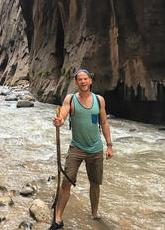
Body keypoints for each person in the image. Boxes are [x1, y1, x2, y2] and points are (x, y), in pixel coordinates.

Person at [48, 69, 113, 230]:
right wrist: (59, 121)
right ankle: (58, 219)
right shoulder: (70, 100)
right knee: (66, 182)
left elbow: (104, 122)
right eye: (80, 80)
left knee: (95, 183)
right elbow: (62, 115)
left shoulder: (99, 100)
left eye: (86, 79)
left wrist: (109, 145)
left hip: (96, 148)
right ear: (76, 83)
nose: (83, 82)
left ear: (90, 81)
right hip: (76, 148)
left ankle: (94, 214)